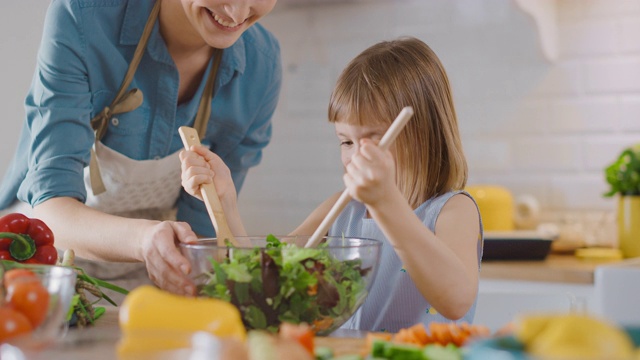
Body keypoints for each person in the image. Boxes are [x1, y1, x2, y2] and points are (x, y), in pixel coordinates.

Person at [181, 36, 483, 332]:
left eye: (373, 140)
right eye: (346, 141)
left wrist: (386, 203)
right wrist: (226, 203)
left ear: (422, 133)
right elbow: (264, 275)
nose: (354, 156)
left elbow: (455, 301)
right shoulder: (343, 209)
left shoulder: (452, 211)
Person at [0, 0, 282, 297]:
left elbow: (204, 233)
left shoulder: (261, 66)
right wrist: (142, 240)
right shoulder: (84, 17)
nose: (237, 13)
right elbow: (50, 211)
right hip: (44, 267)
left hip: (150, 280)